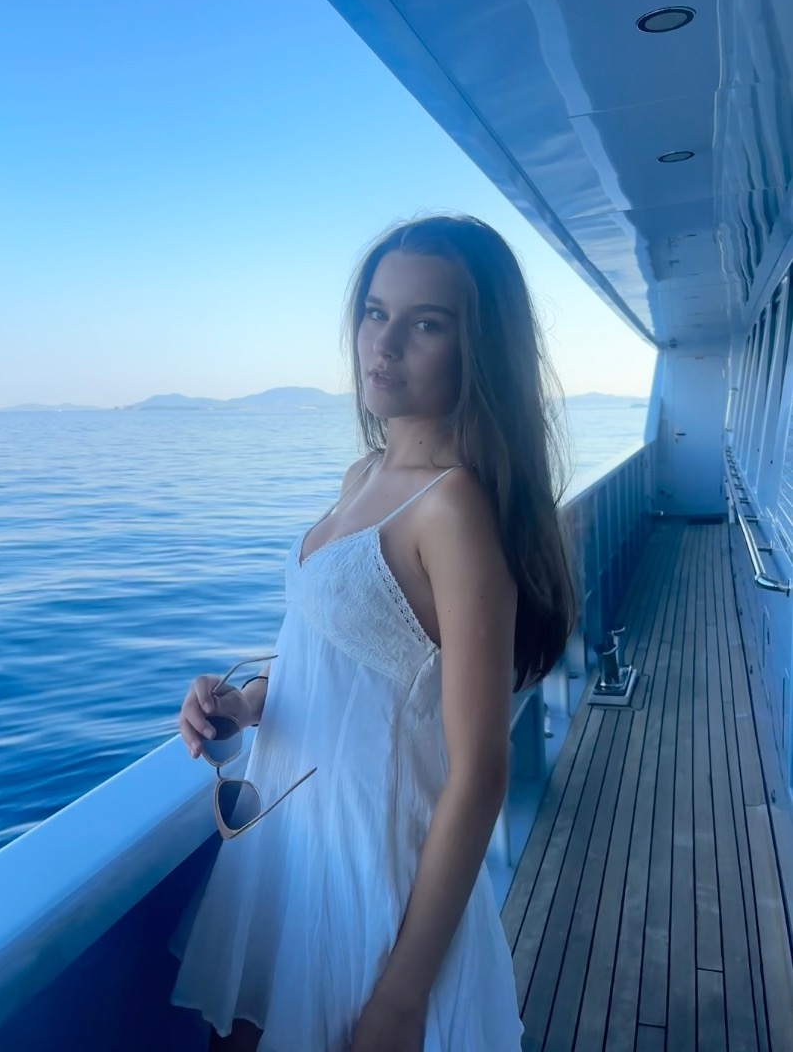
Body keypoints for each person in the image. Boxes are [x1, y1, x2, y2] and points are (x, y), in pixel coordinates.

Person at [171, 214, 576, 1051]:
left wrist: (400, 997)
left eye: (426, 324)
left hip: (370, 887)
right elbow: (347, 655)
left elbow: (480, 773)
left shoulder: (453, 507)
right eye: (375, 312)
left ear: (480, 349)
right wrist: (247, 702)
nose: (383, 345)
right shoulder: (363, 474)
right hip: (293, 857)